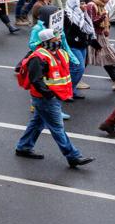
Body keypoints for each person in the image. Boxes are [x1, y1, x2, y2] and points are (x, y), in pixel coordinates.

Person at [15, 29, 93, 168]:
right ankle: (73, 156)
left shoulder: (60, 52)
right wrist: (49, 95)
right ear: (46, 42)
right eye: (55, 39)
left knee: (37, 123)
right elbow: (36, 80)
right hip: (46, 99)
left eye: (58, 38)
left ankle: (24, 146)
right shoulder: (38, 57)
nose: (58, 40)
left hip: (54, 97)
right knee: (57, 127)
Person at [86, 0, 115, 89]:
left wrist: (106, 27)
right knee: (87, 58)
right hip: (93, 36)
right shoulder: (91, 5)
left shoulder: (103, 6)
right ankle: (76, 80)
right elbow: (91, 21)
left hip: (100, 35)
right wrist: (102, 16)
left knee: (106, 56)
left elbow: (104, 21)